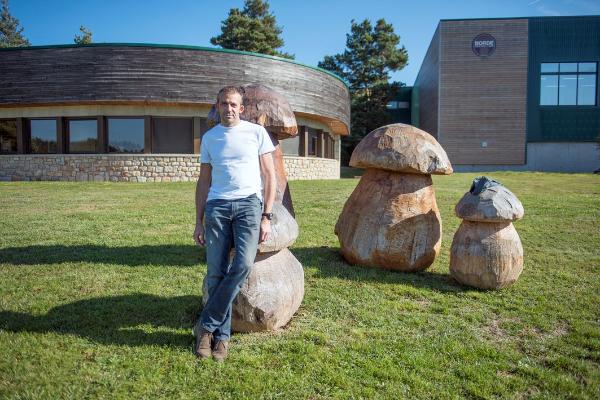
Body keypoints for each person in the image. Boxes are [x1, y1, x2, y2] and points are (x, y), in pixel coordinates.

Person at [192, 86, 276, 362]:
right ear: (217, 107)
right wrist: (198, 221)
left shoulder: (256, 133)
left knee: (242, 265)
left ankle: (206, 323)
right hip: (217, 207)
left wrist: (266, 215)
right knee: (216, 272)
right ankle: (219, 339)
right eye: (223, 104)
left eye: (233, 104)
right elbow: (204, 181)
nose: (228, 108)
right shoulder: (209, 138)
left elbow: (269, 176)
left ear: (241, 108)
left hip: (248, 207)